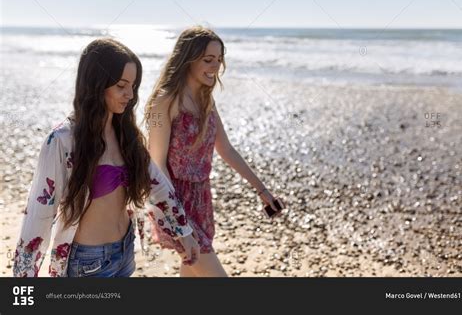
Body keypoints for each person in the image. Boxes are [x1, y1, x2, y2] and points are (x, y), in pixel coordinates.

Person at [13, 38, 200, 277]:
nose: (130, 95)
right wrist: (23, 281)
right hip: (88, 263)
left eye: (133, 86)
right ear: (97, 84)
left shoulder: (126, 135)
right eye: (121, 86)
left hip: (125, 252)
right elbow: (39, 213)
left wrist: (184, 233)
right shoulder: (63, 140)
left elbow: (157, 184)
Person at [145, 26, 285, 277]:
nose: (215, 67)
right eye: (208, 60)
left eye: (219, 60)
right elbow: (157, 165)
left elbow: (227, 149)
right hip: (175, 202)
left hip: (201, 200)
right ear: (187, 59)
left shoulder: (206, 100)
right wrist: (179, 221)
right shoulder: (163, 102)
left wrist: (263, 191)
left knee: (192, 273)